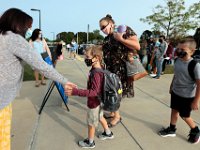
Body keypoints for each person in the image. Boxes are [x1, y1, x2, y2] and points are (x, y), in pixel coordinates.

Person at [0, 8, 76, 150]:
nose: (28, 30)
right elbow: (41, 66)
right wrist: (64, 80)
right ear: (17, 24)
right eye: (27, 26)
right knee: (3, 142)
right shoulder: (13, 39)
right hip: (2, 97)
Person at [66, 46, 114, 149]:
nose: (85, 59)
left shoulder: (96, 73)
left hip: (94, 103)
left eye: (87, 56)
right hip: (100, 101)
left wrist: (76, 91)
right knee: (100, 117)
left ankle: (90, 142)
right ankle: (108, 133)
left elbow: (93, 92)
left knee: (91, 123)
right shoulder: (100, 67)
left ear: (96, 58)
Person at [99, 14, 140, 127]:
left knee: (115, 93)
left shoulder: (123, 30)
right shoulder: (107, 38)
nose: (102, 30)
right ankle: (113, 112)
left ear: (111, 23)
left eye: (103, 27)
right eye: (101, 28)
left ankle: (117, 116)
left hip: (122, 70)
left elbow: (137, 46)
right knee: (112, 92)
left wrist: (121, 39)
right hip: (111, 71)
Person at [158, 37, 200, 144]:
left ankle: (195, 130)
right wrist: (172, 86)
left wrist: (196, 100)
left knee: (185, 116)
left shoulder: (195, 65)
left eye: (183, 50)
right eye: (178, 49)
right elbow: (176, 75)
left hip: (187, 96)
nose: (179, 51)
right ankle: (172, 129)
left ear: (192, 51)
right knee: (174, 110)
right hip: (176, 92)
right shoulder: (177, 60)